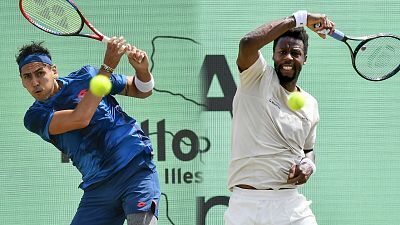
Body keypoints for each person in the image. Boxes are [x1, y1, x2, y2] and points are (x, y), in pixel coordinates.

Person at [16, 37, 160, 225]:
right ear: (22, 82)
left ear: (54, 71)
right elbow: (80, 118)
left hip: (134, 168)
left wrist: (142, 69)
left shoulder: (87, 76)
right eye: (28, 77)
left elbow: (143, 89)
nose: (35, 82)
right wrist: (107, 67)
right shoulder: (35, 117)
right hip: (98, 187)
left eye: (40, 73)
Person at [224, 11, 335, 225]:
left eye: (295, 53)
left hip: (290, 204)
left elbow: (308, 150)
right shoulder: (256, 76)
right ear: (273, 55)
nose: (288, 58)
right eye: (282, 52)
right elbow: (247, 43)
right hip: (247, 205)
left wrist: (308, 166)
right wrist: (299, 19)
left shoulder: (310, 104)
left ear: (304, 58)